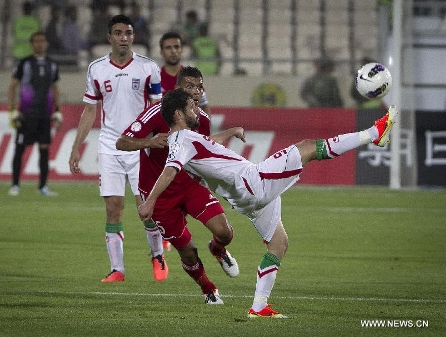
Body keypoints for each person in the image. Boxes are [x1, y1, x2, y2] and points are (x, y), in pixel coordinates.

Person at [139, 88, 398, 317]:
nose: (197, 109)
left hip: (246, 199)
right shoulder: (182, 140)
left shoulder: (184, 141)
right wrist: (150, 202)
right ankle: (373, 133)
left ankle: (259, 306)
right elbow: (170, 170)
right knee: (307, 148)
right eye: (191, 107)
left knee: (278, 243)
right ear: (178, 114)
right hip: (253, 182)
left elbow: (206, 148)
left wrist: (229, 132)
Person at [117, 67, 239, 304]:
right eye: (190, 86)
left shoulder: (201, 118)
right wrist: (149, 142)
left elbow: (203, 153)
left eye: (199, 87)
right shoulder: (156, 113)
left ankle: (218, 249)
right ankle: (208, 289)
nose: (196, 92)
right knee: (188, 251)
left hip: (188, 185)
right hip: (159, 193)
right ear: (177, 88)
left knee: (224, 232)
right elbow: (121, 142)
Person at [68, 15, 167, 283]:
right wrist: (77, 147)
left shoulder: (148, 68)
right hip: (110, 146)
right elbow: (90, 110)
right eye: (119, 32)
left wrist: (158, 144)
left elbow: (158, 109)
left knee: (145, 208)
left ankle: (157, 255)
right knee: (113, 208)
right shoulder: (97, 69)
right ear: (109, 37)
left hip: (140, 148)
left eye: (129, 33)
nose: (124, 37)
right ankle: (117, 270)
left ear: (134, 36)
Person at [7, 32, 62, 197]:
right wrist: (12, 109)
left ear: (46, 44)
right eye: (36, 41)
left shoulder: (52, 65)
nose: (40, 44)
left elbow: (55, 88)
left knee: (44, 151)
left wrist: (58, 110)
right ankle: (15, 185)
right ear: (31, 44)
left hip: (45, 116)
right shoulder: (24, 63)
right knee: (20, 149)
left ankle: (43, 186)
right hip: (26, 115)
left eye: (42, 41)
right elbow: (12, 86)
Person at [159, 31, 211, 116]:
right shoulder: (154, 78)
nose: (173, 51)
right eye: (168, 48)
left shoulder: (193, 77)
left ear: (182, 50)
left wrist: (206, 128)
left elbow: (204, 106)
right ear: (161, 52)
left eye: (176, 47)